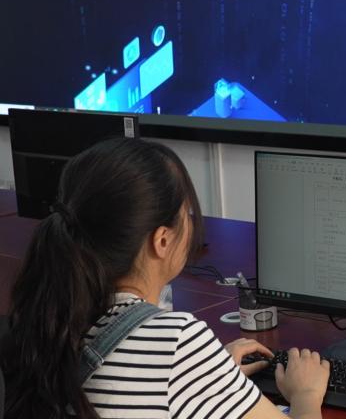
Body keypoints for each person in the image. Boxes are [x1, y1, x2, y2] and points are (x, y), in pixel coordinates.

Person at [0, 138, 329, 418]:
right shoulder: (176, 341)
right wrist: (306, 394)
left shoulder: (51, 314)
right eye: (186, 214)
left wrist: (209, 375)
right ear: (162, 240)